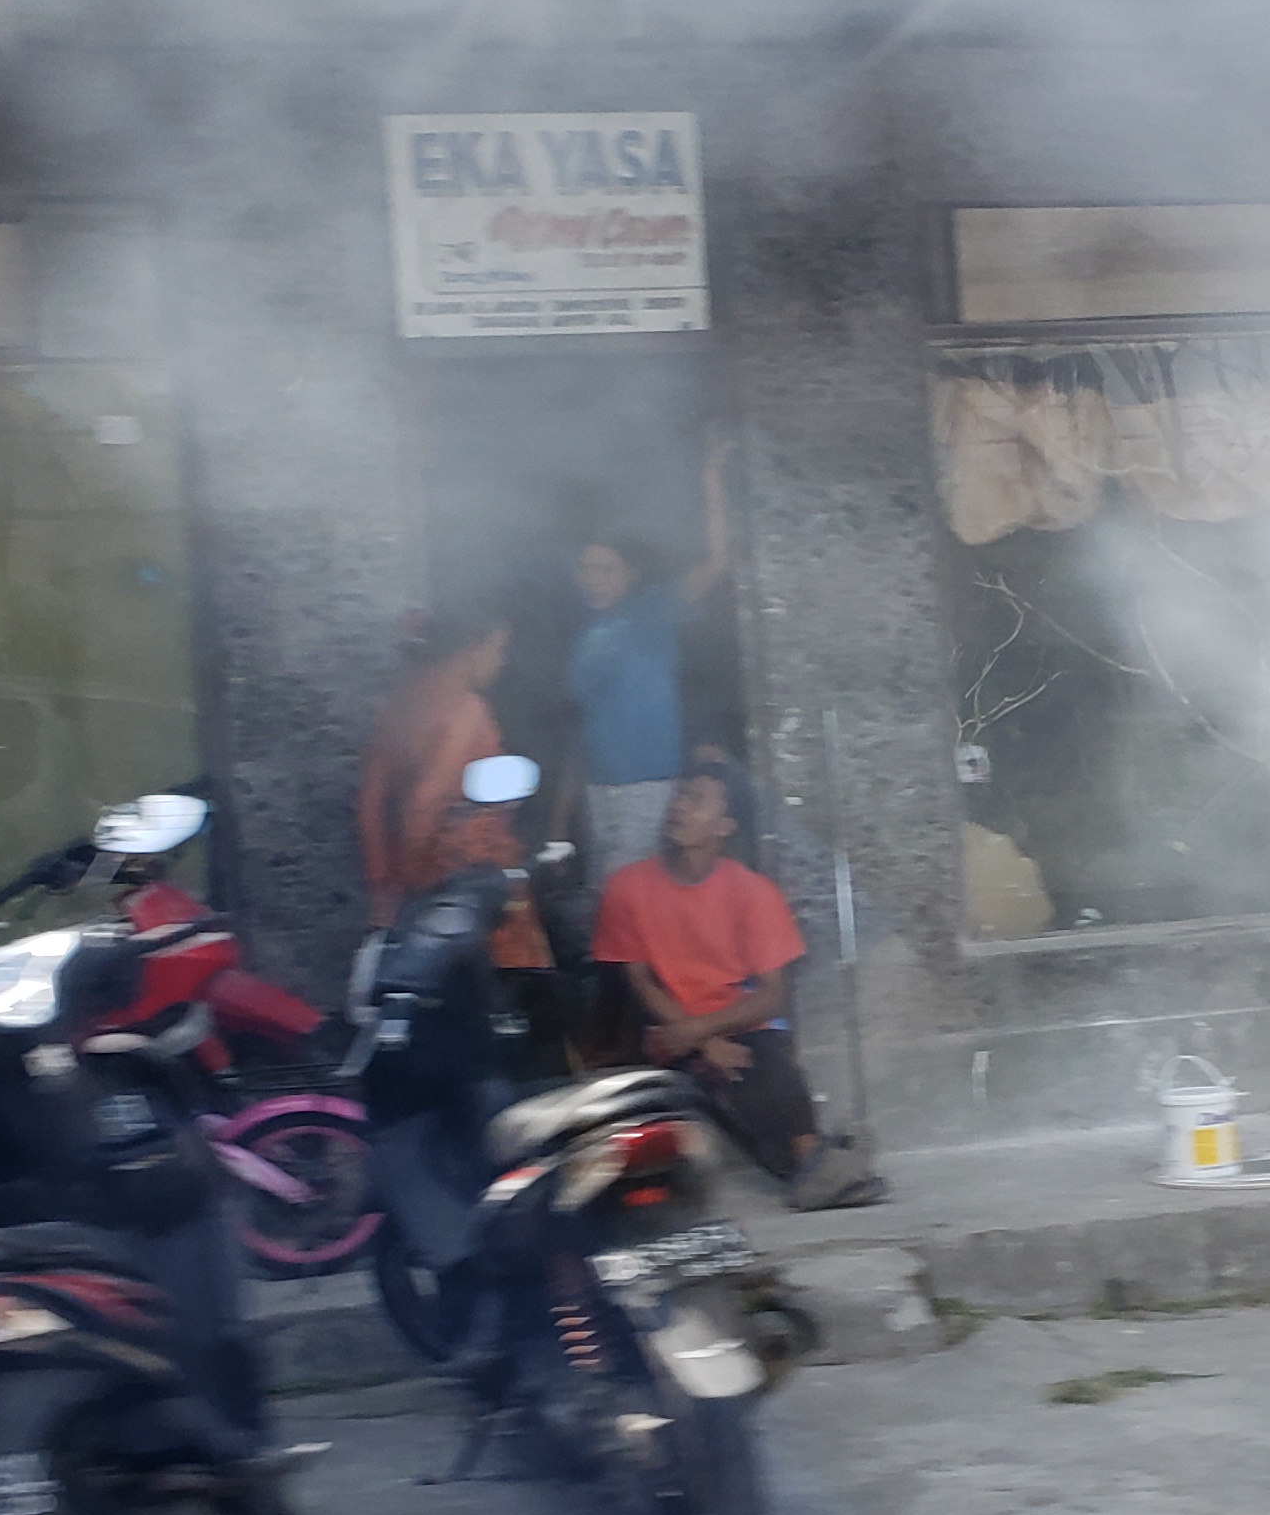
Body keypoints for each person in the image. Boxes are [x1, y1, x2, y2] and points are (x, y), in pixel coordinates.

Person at [590, 760, 884, 1210]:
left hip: (727, 1026)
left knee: (765, 1060)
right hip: (662, 1027)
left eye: (696, 800)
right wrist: (698, 1039)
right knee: (693, 1078)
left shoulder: (753, 893)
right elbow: (637, 979)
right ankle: (822, 1164)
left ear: (725, 826)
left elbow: (772, 996)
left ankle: (811, 1161)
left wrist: (703, 1033)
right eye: (679, 795)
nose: (678, 808)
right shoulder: (628, 887)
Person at [563, 433, 735, 885]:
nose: (594, 579)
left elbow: (715, 562)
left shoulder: (652, 610)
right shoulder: (583, 634)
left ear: (630, 574)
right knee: (612, 899)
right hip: (600, 789)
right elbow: (584, 725)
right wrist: (567, 817)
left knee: (628, 893)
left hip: (648, 787)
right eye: (586, 569)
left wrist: (711, 478)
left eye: (606, 569)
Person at [355, 609, 547, 970]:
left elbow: (370, 804)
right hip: (467, 873)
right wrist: (416, 884)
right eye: (498, 648)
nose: (501, 661)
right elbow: (425, 802)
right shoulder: (467, 709)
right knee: (509, 987)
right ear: (472, 648)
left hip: (406, 872)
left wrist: (384, 883)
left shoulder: (399, 704)